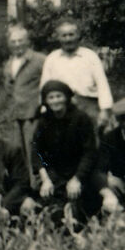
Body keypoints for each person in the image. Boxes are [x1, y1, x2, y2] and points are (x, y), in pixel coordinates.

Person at [33, 80, 99, 220]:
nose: (55, 101)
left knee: (81, 207)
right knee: (48, 206)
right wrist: (46, 179)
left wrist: (77, 179)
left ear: (67, 97)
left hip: (80, 172)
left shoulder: (81, 118)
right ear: (46, 101)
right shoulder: (43, 122)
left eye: (59, 96)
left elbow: (89, 152)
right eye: (51, 97)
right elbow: (37, 153)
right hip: (55, 174)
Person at [40, 18, 113, 129]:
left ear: (78, 35)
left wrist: (105, 110)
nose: (68, 39)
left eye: (71, 34)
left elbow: (102, 84)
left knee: (90, 140)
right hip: (60, 108)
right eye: (64, 35)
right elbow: (44, 87)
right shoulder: (52, 59)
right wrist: (44, 109)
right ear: (58, 38)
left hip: (88, 106)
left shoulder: (90, 56)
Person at [2, 26, 46, 182]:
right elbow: (9, 89)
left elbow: (48, 83)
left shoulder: (40, 59)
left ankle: (40, 185)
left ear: (28, 41)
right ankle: (25, 185)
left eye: (20, 40)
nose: (17, 44)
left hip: (33, 114)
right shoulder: (9, 63)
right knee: (18, 152)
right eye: (13, 41)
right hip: (15, 116)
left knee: (34, 151)